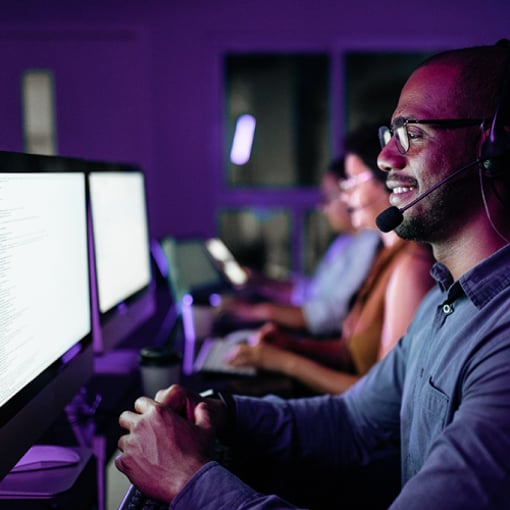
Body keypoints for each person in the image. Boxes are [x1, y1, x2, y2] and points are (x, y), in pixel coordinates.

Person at [115, 41, 510, 509]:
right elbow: (354, 421)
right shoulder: (445, 303)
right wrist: (224, 411)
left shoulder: (500, 342)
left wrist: (187, 481)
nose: (385, 157)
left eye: (413, 133)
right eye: (392, 131)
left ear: (494, 146)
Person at [223, 125, 434, 395]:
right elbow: (352, 350)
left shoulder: (411, 268)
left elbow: (384, 400)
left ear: (388, 182)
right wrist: (291, 345)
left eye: (353, 182)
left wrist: (285, 362)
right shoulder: (383, 257)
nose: (345, 197)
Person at [219, 157, 381, 336]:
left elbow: (330, 314)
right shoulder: (345, 241)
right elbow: (313, 292)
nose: (321, 207)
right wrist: (262, 283)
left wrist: (258, 311)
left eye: (327, 197)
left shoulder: (371, 243)